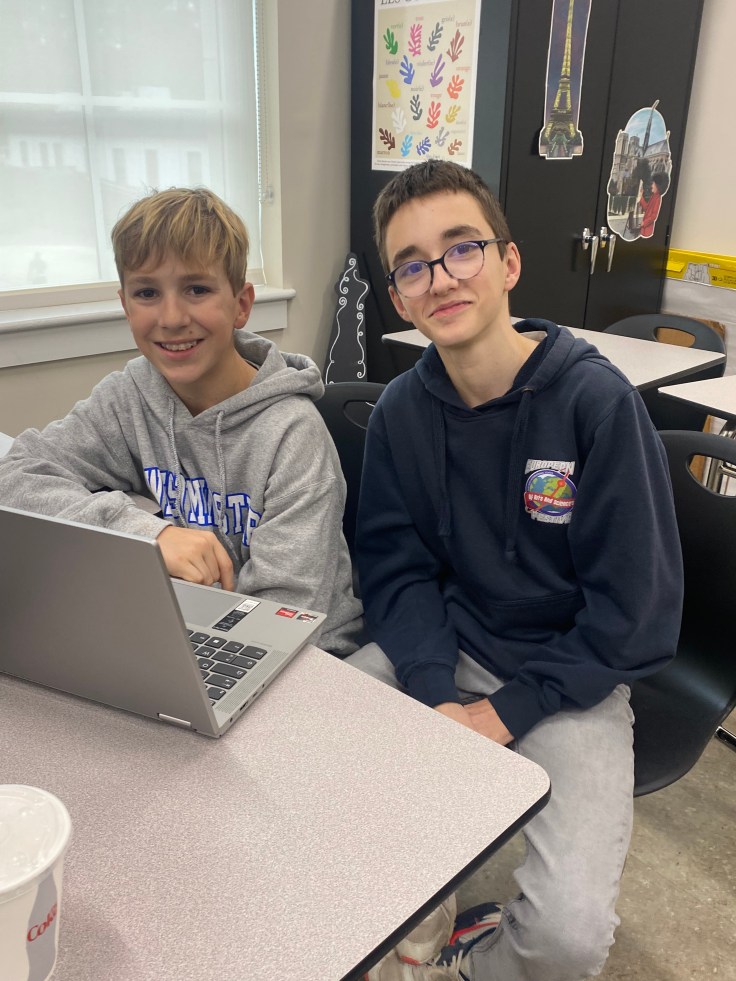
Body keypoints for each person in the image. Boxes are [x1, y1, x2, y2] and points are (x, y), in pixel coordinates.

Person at [349, 160, 683, 980]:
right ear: (399, 297)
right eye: (413, 265)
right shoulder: (401, 413)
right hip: (443, 646)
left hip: (572, 675)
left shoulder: (596, 404)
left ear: (509, 263)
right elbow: (396, 572)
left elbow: (635, 613)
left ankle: (472, 962)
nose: (441, 277)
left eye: (462, 248)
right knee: (313, 760)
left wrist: (506, 711)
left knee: (565, 940)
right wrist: (435, 693)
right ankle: (413, 916)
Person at [0, 187, 363, 657]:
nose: (171, 318)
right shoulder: (129, 398)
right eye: (147, 293)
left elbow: (286, 619)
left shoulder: (292, 433)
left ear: (241, 304)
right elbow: (16, 475)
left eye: (197, 289)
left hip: (307, 655)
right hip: (179, 630)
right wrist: (146, 534)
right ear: (126, 305)